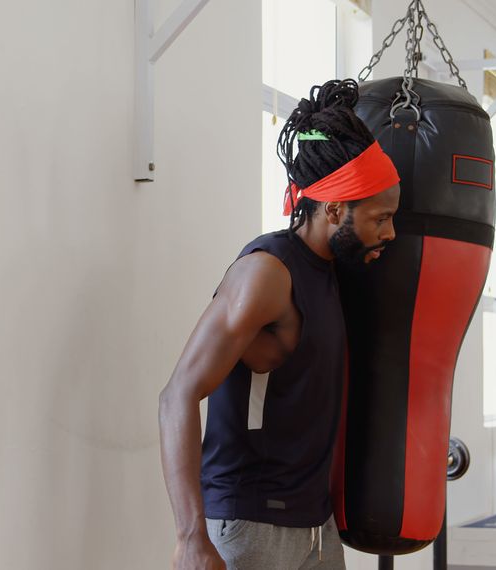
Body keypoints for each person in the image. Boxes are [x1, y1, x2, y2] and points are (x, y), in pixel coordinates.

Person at [158, 79, 400, 570]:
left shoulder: (333, 271)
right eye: (380, 218)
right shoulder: (266, 273)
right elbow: (177, 394)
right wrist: (190, 538)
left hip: (315, 525)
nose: (390, 233)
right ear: (334, 209)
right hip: (252, 527)